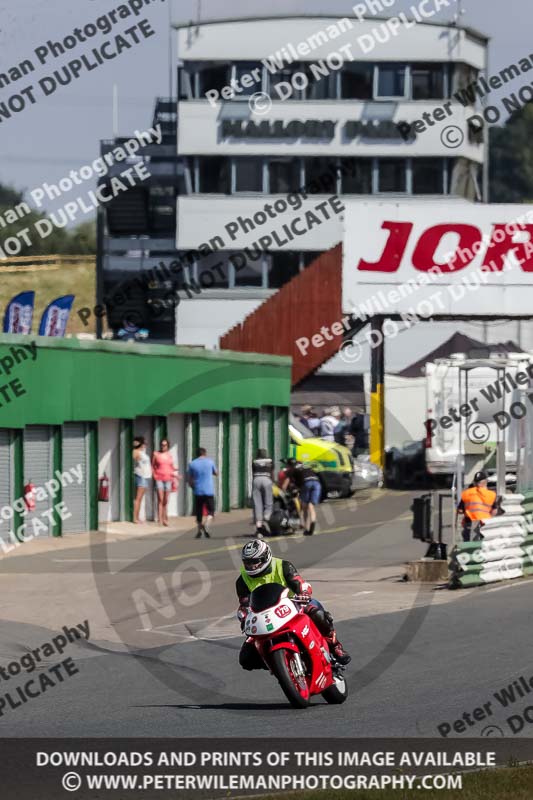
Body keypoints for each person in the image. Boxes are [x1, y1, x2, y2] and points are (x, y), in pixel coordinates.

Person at [236, 539, 351, 670]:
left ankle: (335, 646)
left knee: (316, 613)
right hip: (265, 618)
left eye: (255, 561)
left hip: (292, 606)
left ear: (265, 557)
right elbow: (244, 603)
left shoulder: (283, 566)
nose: (251, 566)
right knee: (246, 658)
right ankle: (278, 665)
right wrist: (244, 616)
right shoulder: (242, 580)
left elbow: (299, 583)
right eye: (247, 562)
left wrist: (304, 593)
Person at [456, 470, 498, 542]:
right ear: (485, 482)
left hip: (469, 524)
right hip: (484, 524)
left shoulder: (467, 493)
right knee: (484, 544)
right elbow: (494, 511)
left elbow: (460, 511)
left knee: (469, 545)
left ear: (474, 482)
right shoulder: (491, 494)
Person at [285, 457, 321, 536]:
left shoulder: (292, 470)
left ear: (289, 465)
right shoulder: (305, 465)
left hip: (306, 483)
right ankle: (313, 521)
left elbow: (287, 482)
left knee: (305, 507)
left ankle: (306, 528)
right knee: (311, 505)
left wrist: (284, 491)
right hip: (316, 482)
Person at [187, 447, 218, 538]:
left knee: (199, 511)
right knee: (211, 510)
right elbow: (216, 473)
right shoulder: (210, 462)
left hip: (198, 490)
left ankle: (199, 530)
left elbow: (190, 479)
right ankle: (207, 524)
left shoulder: (192, 464)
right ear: (205, 453)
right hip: (209, 490)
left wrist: (193, 487)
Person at [152, 438, 179, 527]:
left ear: (168, 446)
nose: (163, 446)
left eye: (165, 445)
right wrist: (154, 475)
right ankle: (160, 519)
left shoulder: (169, 455)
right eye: (162, 445)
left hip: (168, 479)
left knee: (166, 500)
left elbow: (171, 467)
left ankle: (165, 518)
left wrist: (176, 474)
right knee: (160, 499)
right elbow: (152, 466)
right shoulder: (156, 454)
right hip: (159, 478)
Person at [251, 448, 274, 537]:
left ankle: (258, 526)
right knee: (268, 502)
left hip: (256, 479)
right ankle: (266, 517)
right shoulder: (270, 461)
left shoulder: (254, 461)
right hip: (266, 479)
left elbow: (253, 472)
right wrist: (273, 482)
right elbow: (272, 472)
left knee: (257, 504)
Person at [133, 436, 152, 524]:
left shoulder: (143, 452)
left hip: (146, 477)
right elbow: (134, 458)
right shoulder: (136, 451)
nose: (145, 444)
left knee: (140, 499)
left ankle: (137, 517)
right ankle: (135, 518)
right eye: (144, 443)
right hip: (141, 476)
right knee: (138, 498)